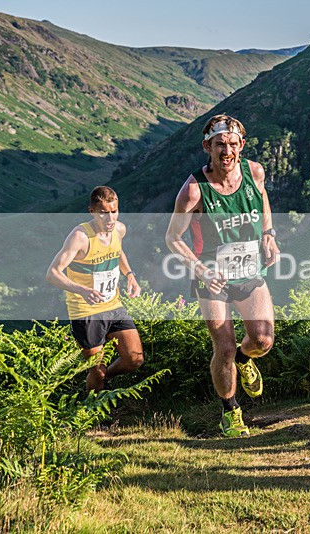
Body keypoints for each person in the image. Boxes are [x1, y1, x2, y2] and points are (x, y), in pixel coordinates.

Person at [166, 114, 279, 438]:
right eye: (219, 145)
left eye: (232, 144)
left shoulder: (254, 172)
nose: (226, 151)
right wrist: (199, 269)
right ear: (207, 147)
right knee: (224, 347)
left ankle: (246, 359)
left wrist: (268, 233)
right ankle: (230, 411)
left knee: (262, 340)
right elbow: (172, 238)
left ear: (241, 145)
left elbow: (262, 198)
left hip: (249, 271)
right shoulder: (194, 191)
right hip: (212, 278)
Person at [46, 186, 144, 392]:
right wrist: (81, 290)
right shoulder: (80, 237)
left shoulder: (119, 229)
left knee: (135, 360)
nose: (110, 219)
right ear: (92, 211)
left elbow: (118, 252)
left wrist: (130, 275)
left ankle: (102, 378)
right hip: (86, 311)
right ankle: (92, 416)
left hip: (114, 305)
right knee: (96, 371)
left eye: (114, 211)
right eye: (104, 213)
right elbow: (52, 273)